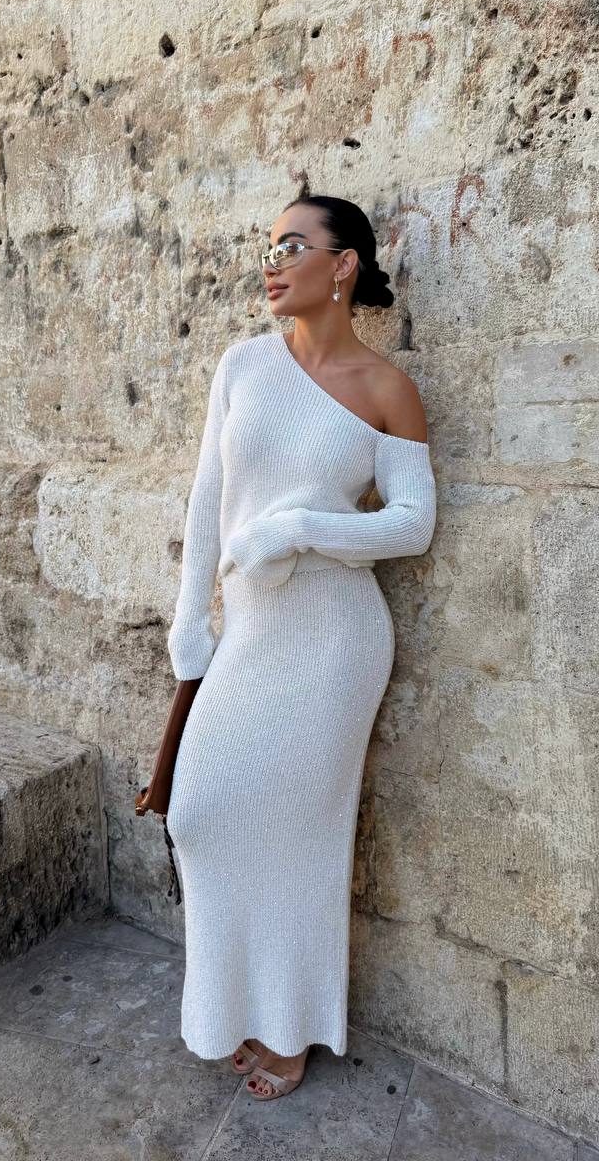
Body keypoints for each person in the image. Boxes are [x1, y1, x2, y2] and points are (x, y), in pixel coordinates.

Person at [165, 193, 437, 1101]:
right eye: (267, 246)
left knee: (306, 839)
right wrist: (189, 625)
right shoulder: (242, 366)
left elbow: (413, 524)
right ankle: (235, 1001)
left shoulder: (387, 389)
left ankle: (288, 1029)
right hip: (251, 635)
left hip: (333, 642)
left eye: (293, 244)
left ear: (344, 264)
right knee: (198, 812)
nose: (273, 260)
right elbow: (207, 504)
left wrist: (305, 530)